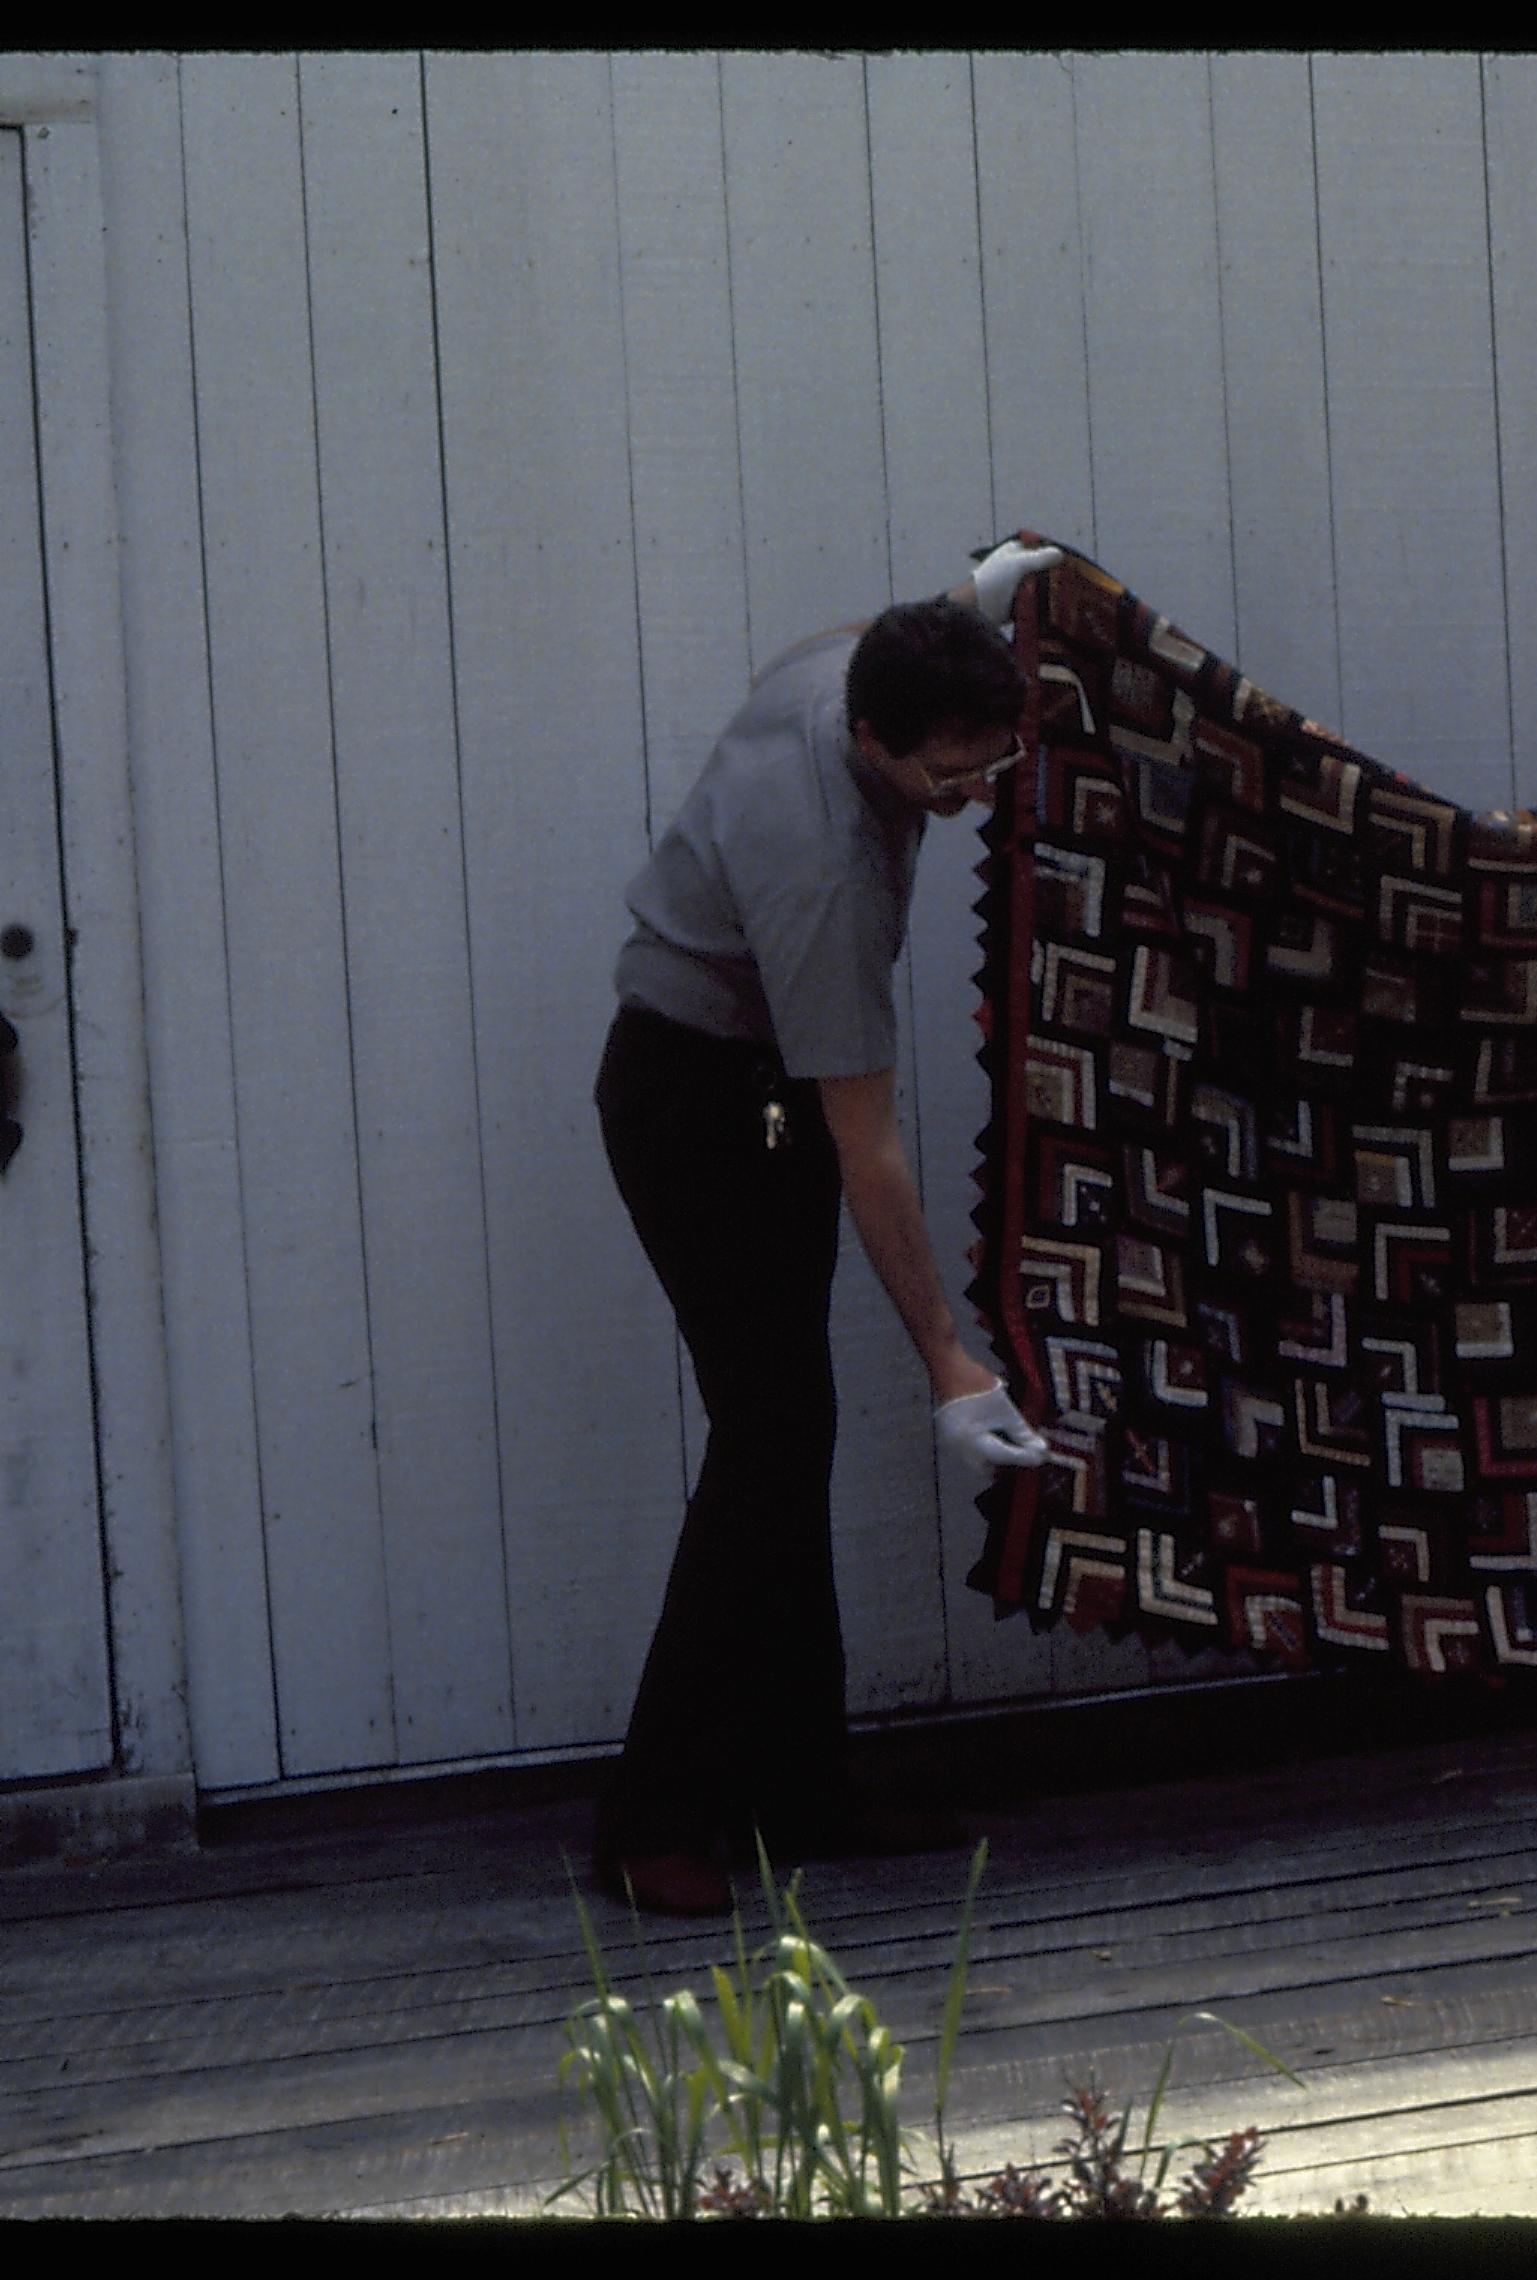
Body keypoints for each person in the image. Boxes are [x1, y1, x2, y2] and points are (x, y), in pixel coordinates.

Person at [590, 541, 1065, 1914]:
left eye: (992, 770)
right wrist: (952, 1366)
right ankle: (651, 1822)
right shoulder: (829, 874)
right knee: (771, 1434)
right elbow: (869, 1150)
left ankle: (795, 1792)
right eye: (946, 780)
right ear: (871, 740)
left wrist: (992, 595)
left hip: (748, 1091)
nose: (971, 804)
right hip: (698, 1103)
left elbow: (911, 628)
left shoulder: (846, 666)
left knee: (788, 1430)